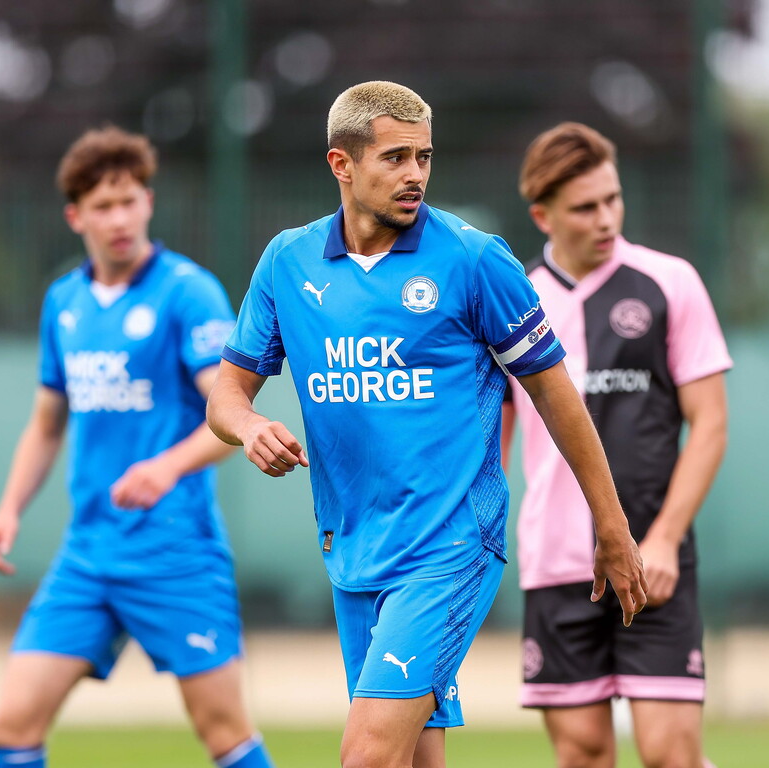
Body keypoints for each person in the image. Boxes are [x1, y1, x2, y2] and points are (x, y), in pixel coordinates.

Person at [206, 81, 647, 768]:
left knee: (368, 756)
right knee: (416, 758)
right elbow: (226, 393)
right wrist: (248, 424)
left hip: (450, 546)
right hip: (352, 546)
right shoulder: (286, 263)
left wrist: (612, 526)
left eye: (425, 156)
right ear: (341, 165)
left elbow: (557, 397)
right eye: (396, 157)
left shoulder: (474, 259)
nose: (415, 174)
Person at [0, 126, 275, 768]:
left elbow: (229, 414)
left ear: (148, 201)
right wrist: (8, 508)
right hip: (88, 554)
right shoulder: (64, 301)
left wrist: (166, 466)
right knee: (9, 725)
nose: (120, 218)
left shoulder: (186, 291)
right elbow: (46, 424)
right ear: (75, 216)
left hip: (175, 551)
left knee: (225, 733)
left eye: (130, 199)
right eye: (103, 206)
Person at [502, 122, 731, 768]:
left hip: (656, 564)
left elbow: (710, 424)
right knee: (582, 756)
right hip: (556, 567)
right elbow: (492, 446)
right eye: (585, 207)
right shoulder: (514, 301)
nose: (606, 218)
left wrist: (661, 538)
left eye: (613, 199)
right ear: (543, 215)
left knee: (670, 756)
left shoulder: (670, 283)